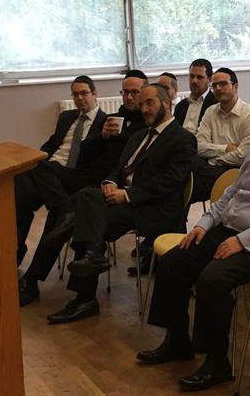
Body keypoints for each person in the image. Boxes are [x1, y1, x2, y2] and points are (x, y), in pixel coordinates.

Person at [137, 101, 250, 391]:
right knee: (174, 262)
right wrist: (204, 224)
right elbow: (230, 195)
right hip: (232, 231)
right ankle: (177, 341)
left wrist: (241, 241)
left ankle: (217, 362)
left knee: (213, 279)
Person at [24, 84, 197, 322]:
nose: (144, 109)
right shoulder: (138, 136)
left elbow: (171, 182)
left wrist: (127, 195)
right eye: (142, 105)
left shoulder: (183, 139)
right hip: (124, 201)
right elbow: (119, 168)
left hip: (153, 207)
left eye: (150, 103)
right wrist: (109, 182)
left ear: (166, 103)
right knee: (87, 202)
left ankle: (82, 294)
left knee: (86, 213)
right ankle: (90, 257)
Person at [13, 75, 125, 263]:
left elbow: (101, 160)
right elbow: (51, 144)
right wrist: (38, 157)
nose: (80, 98)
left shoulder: (107, 122)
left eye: (84, 93)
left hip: (75, 175)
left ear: (95, 94)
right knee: (20, 191)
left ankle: (64, 211)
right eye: (75, 94)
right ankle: (16, 251)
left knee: (33, 178)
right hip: (50, 174)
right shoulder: (66, 117)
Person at [191, 67, 250, 201]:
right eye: (214, 85)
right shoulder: (210, 112)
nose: (218, 88)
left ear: (235, 87)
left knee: (187, 184)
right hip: (209, 170)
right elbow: (199, 146)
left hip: (236, 171)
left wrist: (213, 160)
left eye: (223, 84)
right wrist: (225, 148)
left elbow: (242, 156)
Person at [174, 58, 218, 135]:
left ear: (210, 79)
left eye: (199, 77)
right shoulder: (180, 106)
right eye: (192, 76)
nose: (194, 81)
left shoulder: (216, 104)